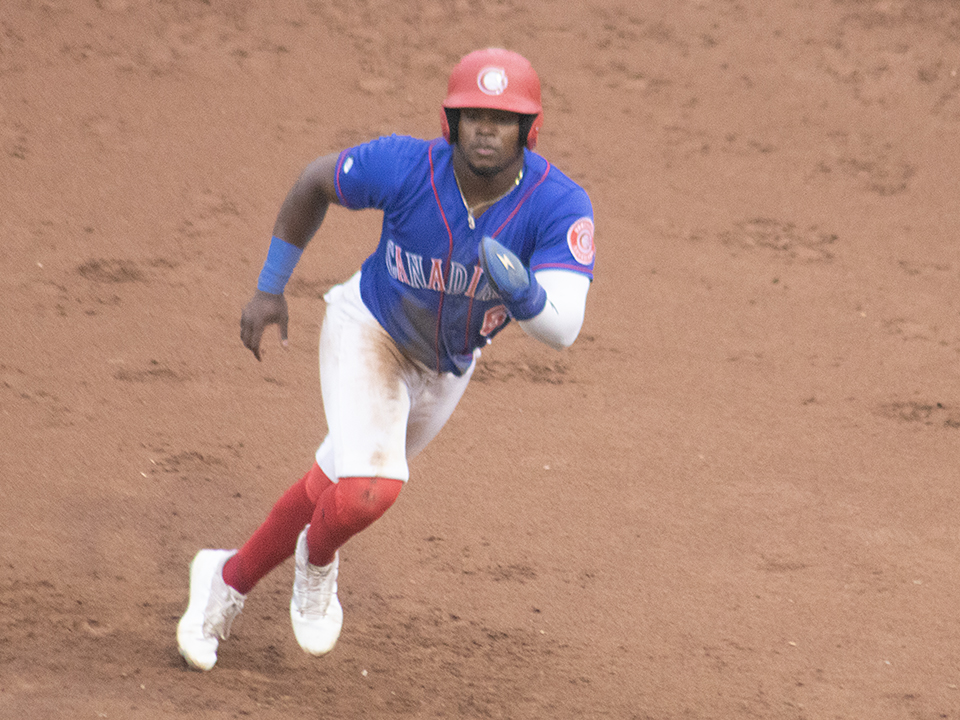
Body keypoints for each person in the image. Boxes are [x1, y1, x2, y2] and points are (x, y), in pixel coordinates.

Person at [176, 47, 597, 671]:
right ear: (449, 121)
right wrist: (270, 287)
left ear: (529, 129)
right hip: (368, 330)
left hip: (448, 365)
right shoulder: (405, 165)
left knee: (335, 485)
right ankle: (316, 564)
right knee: (370, 491)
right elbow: (314, 181)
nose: (486, 128)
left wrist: (526, 293)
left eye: (503, 118)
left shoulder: (558, 204)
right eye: (473, 114)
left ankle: (225, 579)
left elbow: (562, 328)